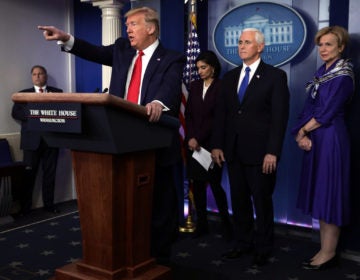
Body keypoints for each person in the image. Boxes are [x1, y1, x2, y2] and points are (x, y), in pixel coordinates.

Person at [37, 7, 185, 265]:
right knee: (123, 206)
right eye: (126, 24)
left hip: (154, 144)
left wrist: (158, 103)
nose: (127, 29)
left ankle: (158, 260)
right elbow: (93, 52)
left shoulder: (171, 58)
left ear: (150, 28)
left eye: (133, 24)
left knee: (158, 207)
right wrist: (65, 37)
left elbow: (170, 87)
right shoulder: (121, 50)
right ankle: (124, 256)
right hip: (121, 142)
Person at [211, 28, 290, 267]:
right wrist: (216, 145)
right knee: (240, 201)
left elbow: (279, 118)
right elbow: (221, 116)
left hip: (261, 153)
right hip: (233, 151)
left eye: (247, 42)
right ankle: (242, 243)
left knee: (262, 202)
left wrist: (272, 151)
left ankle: (263, 248)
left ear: (260, 47)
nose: (241, 46)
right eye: (240, 42)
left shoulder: (275, 77)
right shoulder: (230, 77)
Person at [293, 26, 354, 270]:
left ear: (340, 47)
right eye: (321, 45)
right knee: (320, 195)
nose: (323, 49)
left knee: (329, 195)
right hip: (317, 138)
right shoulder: (321, 72)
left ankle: (329, 252)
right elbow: (309, 107)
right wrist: (300, 133)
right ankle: (323, 250)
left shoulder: (343, 76)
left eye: (329, 44)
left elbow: (326, 113)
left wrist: (304, 130)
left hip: (331, 139)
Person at [185, 50, 232, 239]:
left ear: (213, 67)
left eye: (203, 67)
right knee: (197, 185)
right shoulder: (195, 86)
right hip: (193, 146)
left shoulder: (222, 86)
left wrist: (198, 137)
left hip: (212, 145)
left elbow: (219, 118)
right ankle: (202, 223)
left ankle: (226, 225)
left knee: (214, 184)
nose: (200, 71)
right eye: (198, 68)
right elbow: (188, 115)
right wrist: (190, 137)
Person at [12, 65, 63, 214]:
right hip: (31, 141)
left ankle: (49, 205)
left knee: (50, 175)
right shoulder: (23, 94)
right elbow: (16, 113)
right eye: (34, 74)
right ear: (31, 77)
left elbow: (63, 111)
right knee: (28, 176)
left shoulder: (57, 93)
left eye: (40, 74)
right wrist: (35, 115)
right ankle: (25, 208)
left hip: (52, 140)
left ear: (45, 75)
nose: (37, 76)